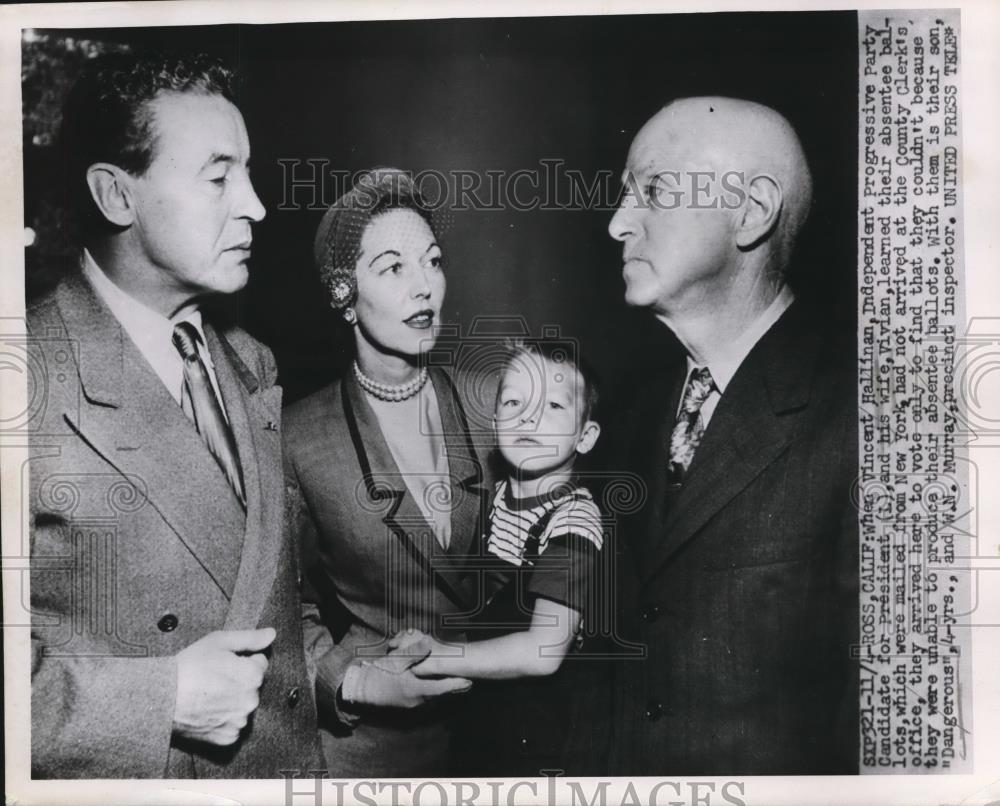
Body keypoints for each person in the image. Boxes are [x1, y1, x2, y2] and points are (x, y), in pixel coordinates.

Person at [27, 50, 321, 779]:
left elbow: (274, 600)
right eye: (220, 177)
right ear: (116, 196)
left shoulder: (250, 362)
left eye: (247, 174)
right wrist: (160, 698)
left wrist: (345, 673)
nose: (254, 204)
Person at [605, 96, 858, 774]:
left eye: (653, 189)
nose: (617, 222)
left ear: (751, 212)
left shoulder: (869, 415)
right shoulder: (629, 417)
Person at [284, 168, 494, 777]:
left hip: (509, 738)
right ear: (343, 294)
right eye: (394, 268)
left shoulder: (496, 404)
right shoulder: (297, 437)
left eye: (432, 262)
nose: (424, 287)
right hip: (374, 756)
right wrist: (357, 683)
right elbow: (280, 609)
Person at [403, 339, 605, 775]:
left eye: (553, 405)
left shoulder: (574, 520)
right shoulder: (490, 501)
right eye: (514, 400)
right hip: (484, 720)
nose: (528, 415)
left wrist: (439, 657)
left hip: (546, 738)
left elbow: (543, 651)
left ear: (584, 437)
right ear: (494, 422)